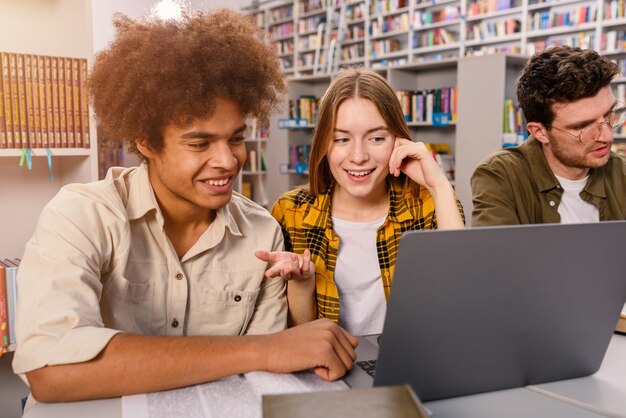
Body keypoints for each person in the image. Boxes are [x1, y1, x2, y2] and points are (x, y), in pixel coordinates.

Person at [12, 9, 357, 404]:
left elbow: (263, 380)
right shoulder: (81, 215)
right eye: (199, 144)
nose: (228, 161)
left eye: (236, 139)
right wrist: (263, 349)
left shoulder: (262, 233)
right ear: (145, 142)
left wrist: (275, 348)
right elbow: (51, 372)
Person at [261, 69, 465, 336]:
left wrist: (438, 185)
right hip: (327, 370)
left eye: (377, 138)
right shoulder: (291, 212)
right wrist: (302, 284)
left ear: (398, 140)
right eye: (341, 139)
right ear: (323, 143)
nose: (358, 156)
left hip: (414, 365)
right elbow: (297, 337)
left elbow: (463, 299)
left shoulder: (428, 203)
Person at [471, 45, 626, 226]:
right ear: (540, 132)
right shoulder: (501, 175)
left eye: (609, 115)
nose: (607, 136)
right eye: (583, 127)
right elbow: (497, 253)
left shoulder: (622, 173)